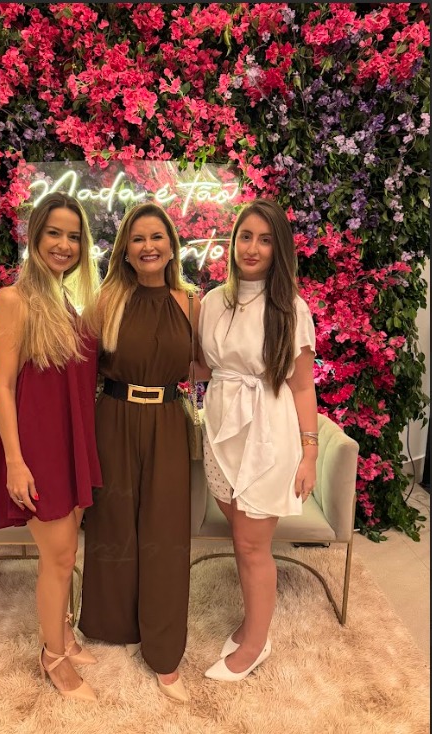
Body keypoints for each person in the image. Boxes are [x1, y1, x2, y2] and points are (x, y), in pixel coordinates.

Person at [79, 202, 202, 703]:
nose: (148, 246)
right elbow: (80, 371)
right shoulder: (106, 300)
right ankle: (113, 626)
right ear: (125, 251)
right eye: (137, 238)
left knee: (165, 532)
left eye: (156, 236)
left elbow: (202, 365)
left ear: (171, 245)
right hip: (112, 417)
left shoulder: (191, 301)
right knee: (112, 523)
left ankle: (164, 652)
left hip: (169, 420)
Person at [0, 192, 102, 701]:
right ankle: (52, 656)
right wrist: (15, 462)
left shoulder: (68, 300)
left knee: (65, 553)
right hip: (37, 451)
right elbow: (4, 386)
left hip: (70, 445)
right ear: (34, 236)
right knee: (58, 556)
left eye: (73, 236)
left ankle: (64, 635)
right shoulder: (14, 300)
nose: (64, 244)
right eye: (54, 233)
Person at [199, 198, 317, 682]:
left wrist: (310, 453)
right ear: (232, 243)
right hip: (220, 431)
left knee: (252, 545)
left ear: (278, 249)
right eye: (245, 236)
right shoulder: (213, 301)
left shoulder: (291, 308)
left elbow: (303, 386)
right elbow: (202, 366)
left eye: (265, 240)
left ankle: (255, 644)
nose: (252, 248)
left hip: (268, 435)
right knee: (241, 536)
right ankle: (254, 623)